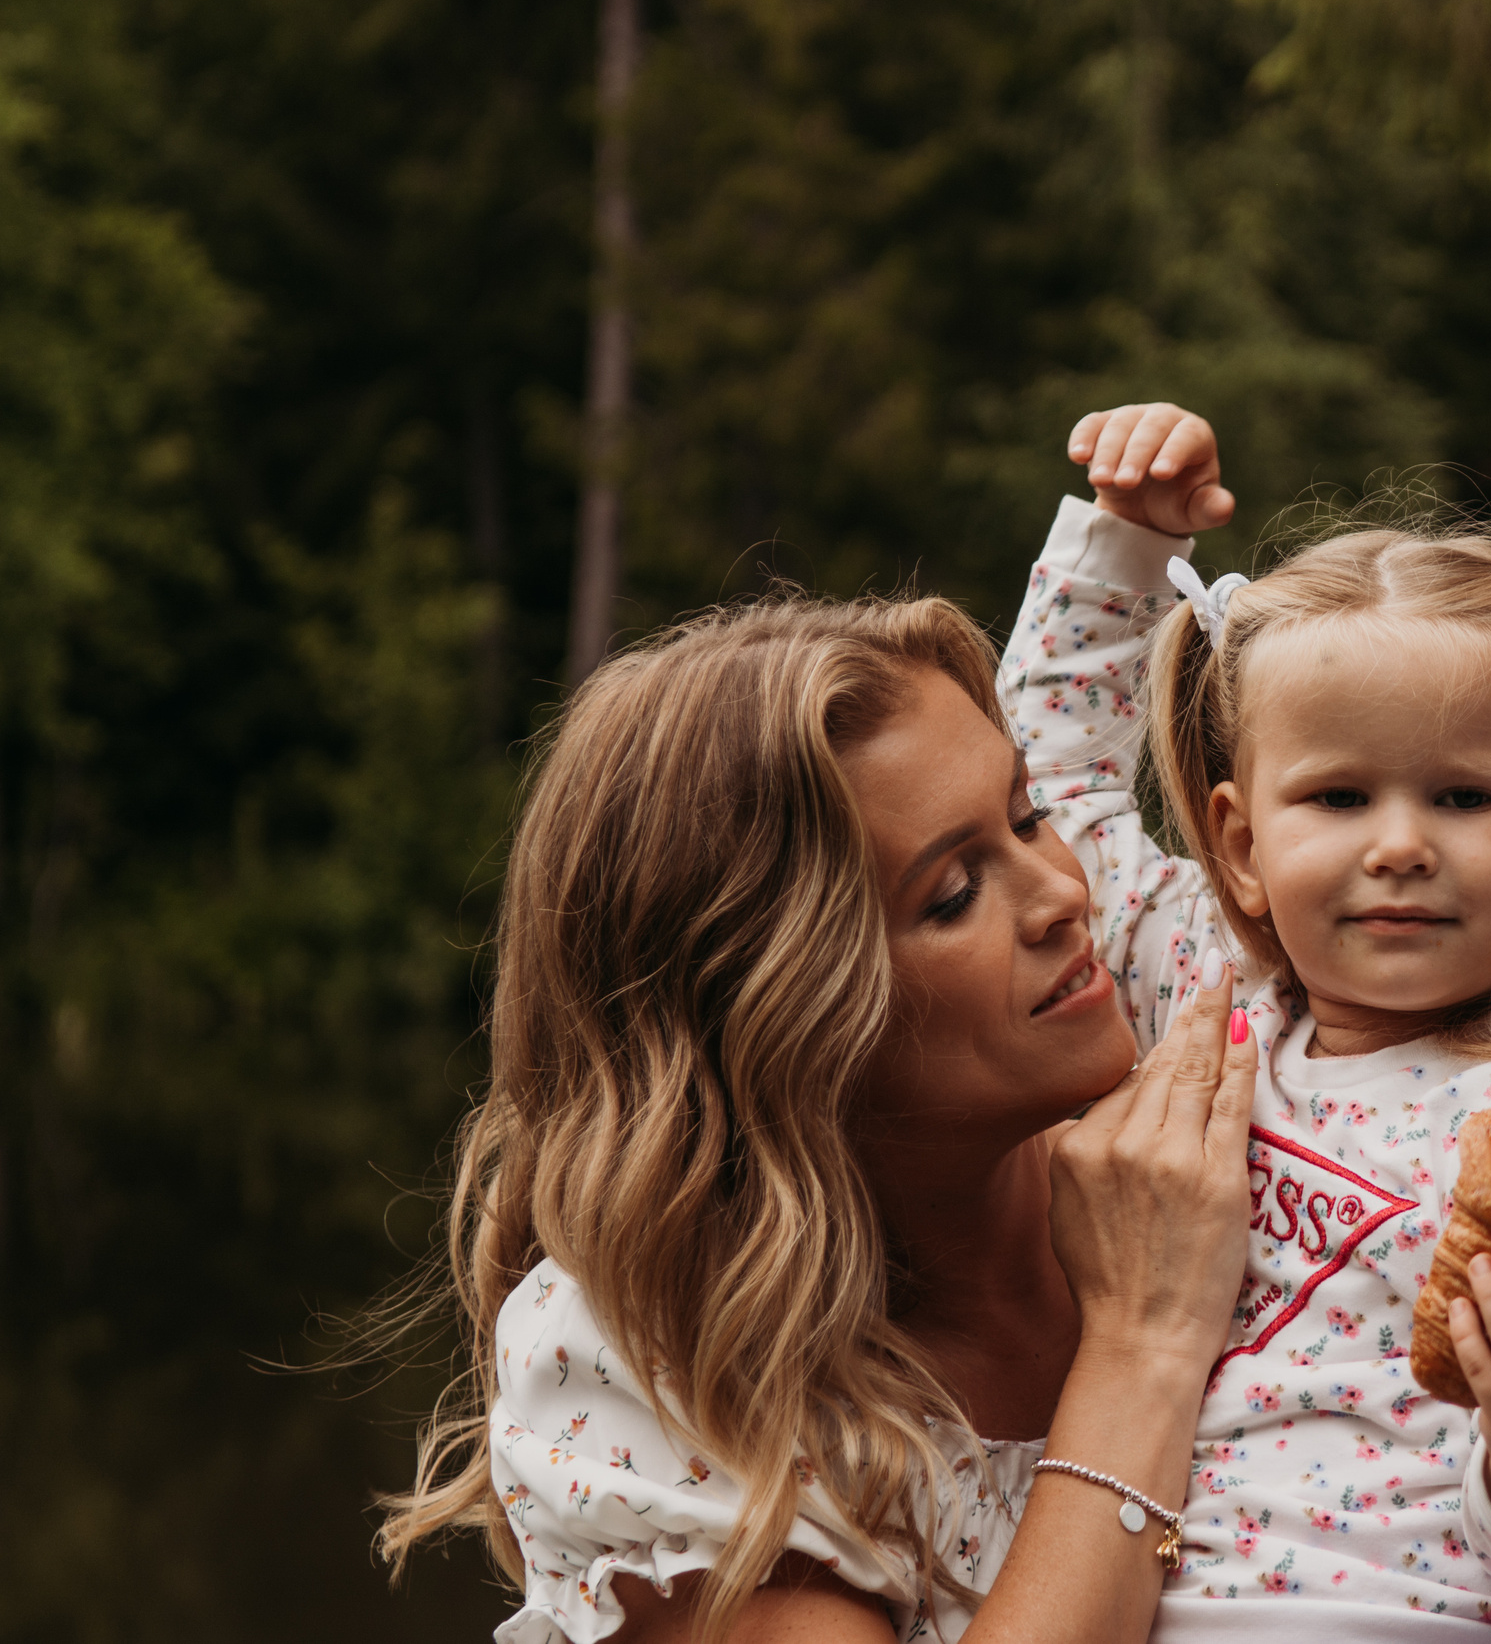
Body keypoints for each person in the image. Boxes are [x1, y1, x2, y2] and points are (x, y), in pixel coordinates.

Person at [378, 594, 1261, 1643]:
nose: (1063, 895)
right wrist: (1141, 1351)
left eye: (1027, 817)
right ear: (779, 1020)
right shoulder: (665, 1383)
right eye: (949, 896)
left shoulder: (1217, 1153)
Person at [1001, 403, 1491, 1639]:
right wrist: (1125, 546)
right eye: (1340, 795)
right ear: (1243, 848)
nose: (1402, 846)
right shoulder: (1200, 999)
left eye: (1467, 796)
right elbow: (1049, 789)